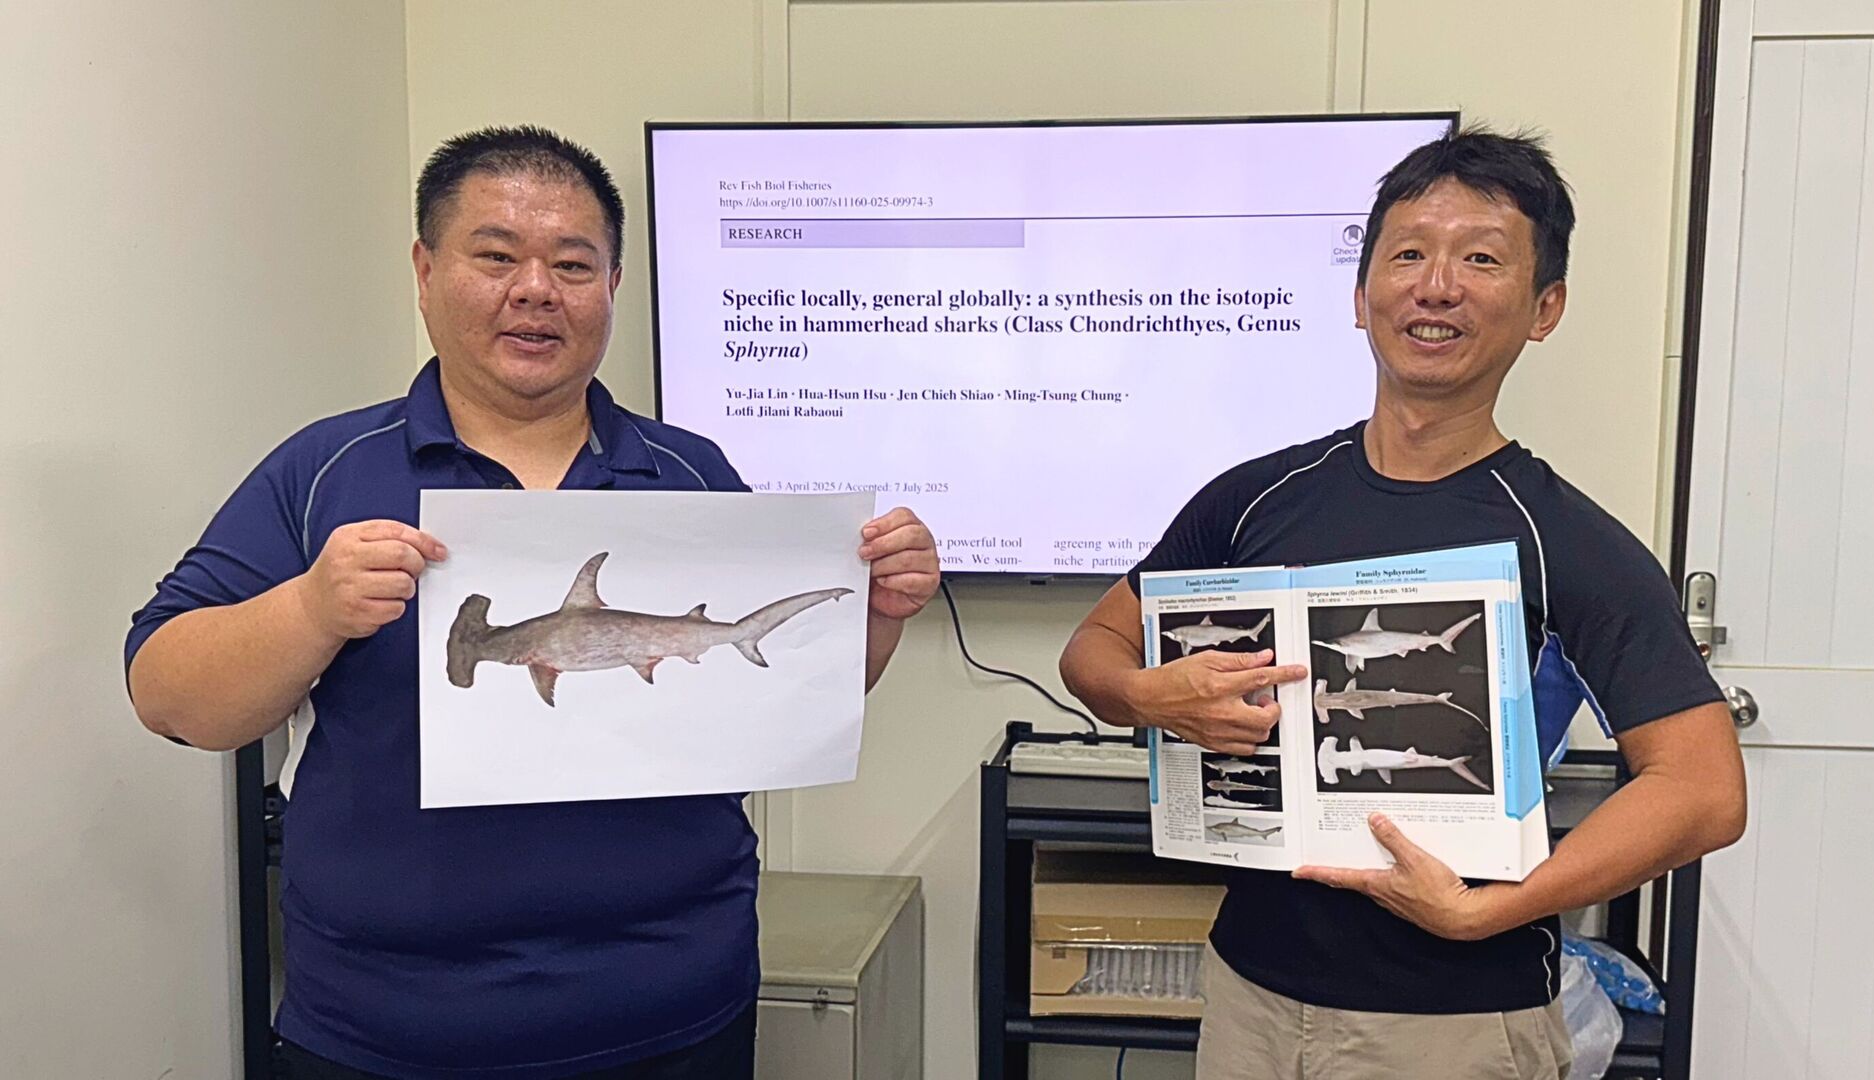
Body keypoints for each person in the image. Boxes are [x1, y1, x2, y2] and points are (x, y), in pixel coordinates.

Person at [125, 126, 939, 1080]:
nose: (536, 291)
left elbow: (792, 702)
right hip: (387, 1032)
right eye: (497, 256)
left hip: (674, 1013)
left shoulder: (693, 476)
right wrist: (310, 610)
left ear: (612, 287)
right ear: (426, 271)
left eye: (572, 264)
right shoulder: (326, 471)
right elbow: (168, 697)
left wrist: (874, 611)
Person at [1058, 129, 1746, 1080]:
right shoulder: (1253, 497)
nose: (1436, 285)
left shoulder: (1566, 538)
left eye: (1481, 259)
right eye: (1410, 253)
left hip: (1457, 1027)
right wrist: (1146, 696)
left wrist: (1491, 909)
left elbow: (1703, 790)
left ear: (1546, 308)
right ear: (1361, 294)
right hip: (1249, 997)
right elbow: (1094, 645)